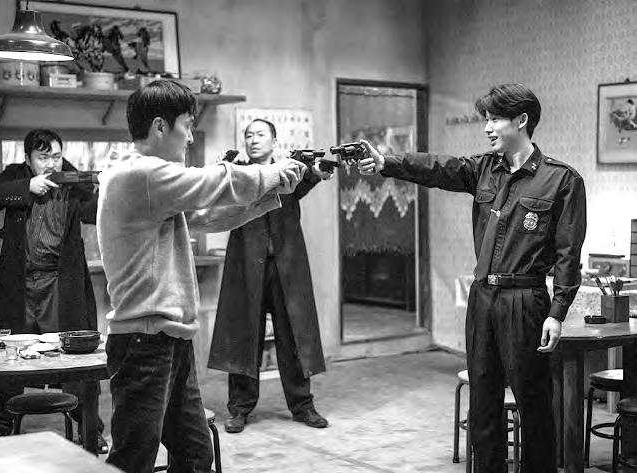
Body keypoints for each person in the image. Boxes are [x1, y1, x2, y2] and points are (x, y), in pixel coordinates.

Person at [356, 84, 586, 473]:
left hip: (525, 300)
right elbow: (437, 167)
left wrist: (557, 312)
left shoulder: (561, 180)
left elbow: (568, 253)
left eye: (495, 119)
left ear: (522, 120)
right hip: (483, 299)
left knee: (533, 405)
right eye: (486, 119)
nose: (487, 128)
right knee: (482, 404)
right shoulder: (482, 169)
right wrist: (386, 162)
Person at [97, 80, 307, 473]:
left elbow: (205, 215)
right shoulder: (140, 174)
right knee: (133, 459)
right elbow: (213, 182)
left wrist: (270, 193)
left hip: (169, 339)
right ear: (160, 127)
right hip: (144, 341)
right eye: (186, 126)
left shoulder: (151, 182)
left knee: (195, 456)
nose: (191, 137)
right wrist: (272, 171)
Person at [0, 128, 109, 452]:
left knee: (76, 359)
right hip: (20, 285)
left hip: (60, 284)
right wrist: (27, 187)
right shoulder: (16, 175)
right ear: (28, 159)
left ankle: (90, 428)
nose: (51, 163)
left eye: (56, 156)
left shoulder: (71, 178)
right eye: (43, 157)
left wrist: (104, 188)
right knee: (6, 358)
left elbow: (97, 212)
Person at [207, 118, 331, 434]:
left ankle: (303, 405)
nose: (253, 139)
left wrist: (319, 172)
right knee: (243, 334)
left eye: (260, 134)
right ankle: (239, 409)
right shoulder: (237, 174)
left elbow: (308, 178)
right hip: (246, 265)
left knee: (293, 334)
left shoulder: (289, 171)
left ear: (274, 142)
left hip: (286, 264)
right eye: (249, 135)